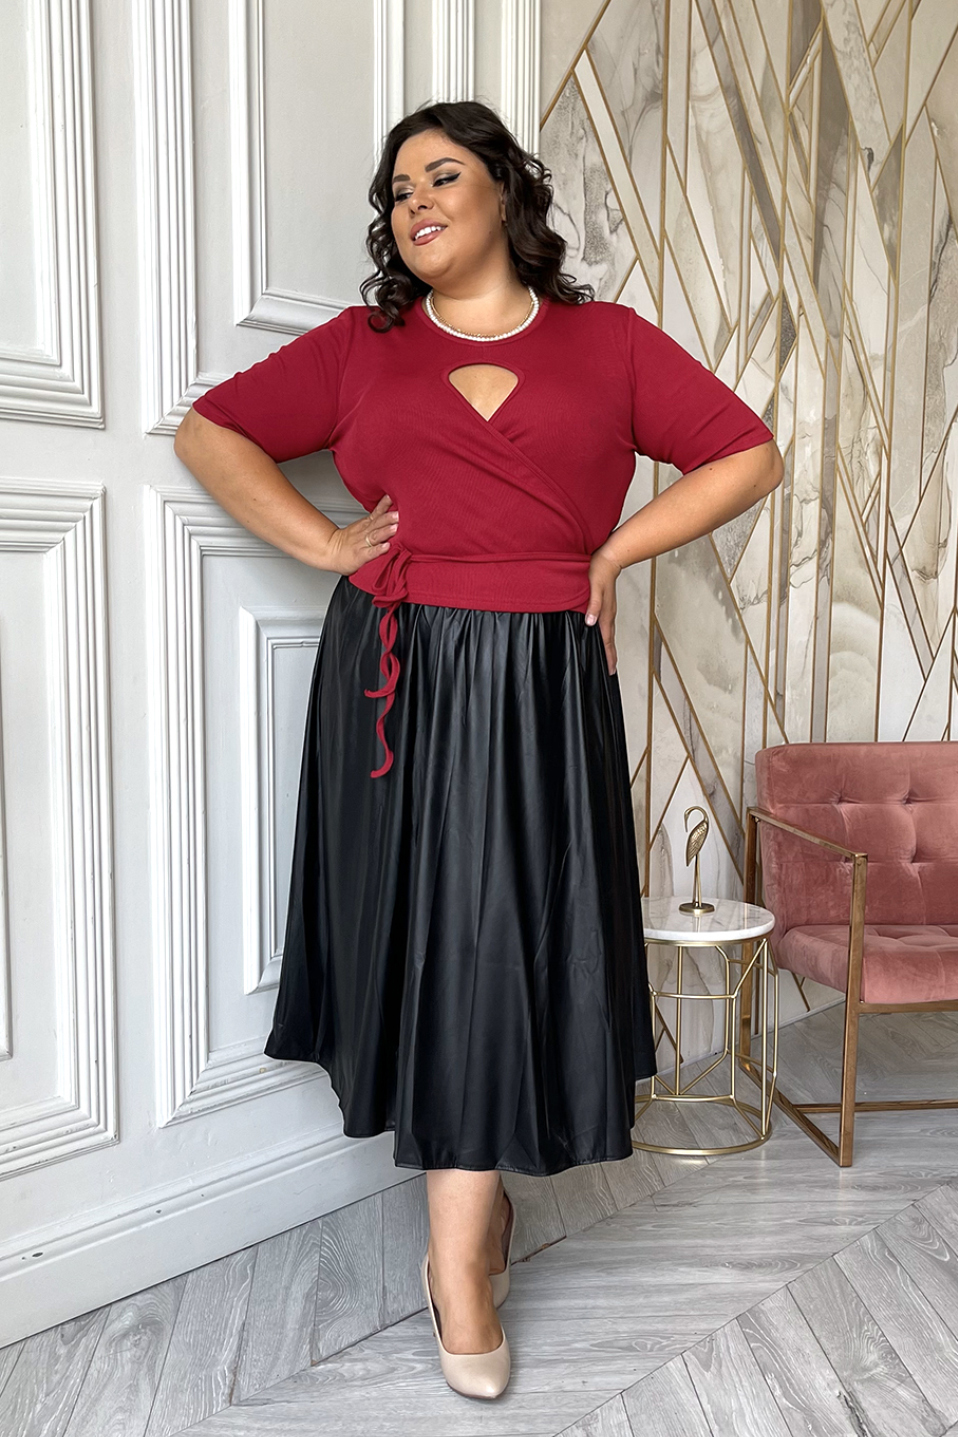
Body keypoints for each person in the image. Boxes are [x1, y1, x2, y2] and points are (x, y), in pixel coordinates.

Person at [173, 99, 783, 1401]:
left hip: (544, 680)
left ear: (507, 192)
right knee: (439, 939)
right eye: (397, 191)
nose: (415, 204)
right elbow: (209, 431)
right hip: (397, 676)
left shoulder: (609, 344)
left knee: (506, 939)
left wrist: (613, 551)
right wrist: (324, 541)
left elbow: (746, 452)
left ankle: (466, 1230)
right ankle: (463, 1248)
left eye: (442, 176)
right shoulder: (363, 347)